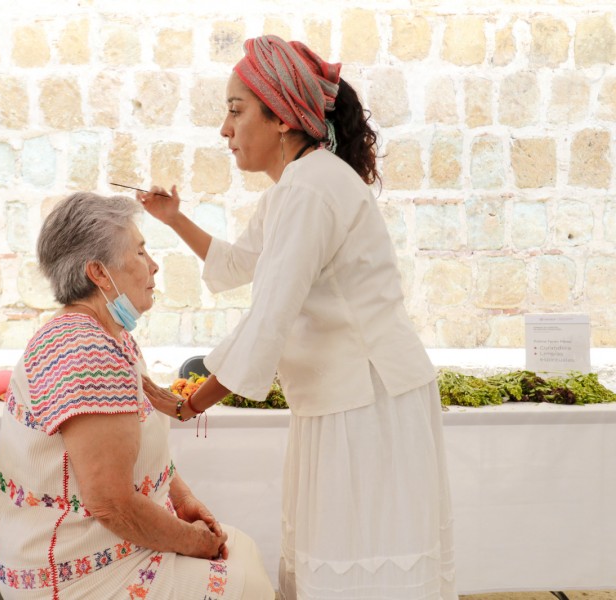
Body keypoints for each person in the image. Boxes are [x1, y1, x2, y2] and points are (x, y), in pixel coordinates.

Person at [139, 35, 457, 600]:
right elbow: (242, 265)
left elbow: (271, 314)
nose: (224, 129)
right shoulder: (298, 186)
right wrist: (173, 220)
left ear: (282, 118)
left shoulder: (311, 189)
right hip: (346, 398)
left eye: (236, 111)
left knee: (361, 564)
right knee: (342, 558)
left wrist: (192, 401)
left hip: (368, 401)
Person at [0, 191, 274, 599]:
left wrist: (184, 500)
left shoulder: (109, 337)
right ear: (100, 274)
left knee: (242, 551)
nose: (154, 265)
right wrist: (193, 541)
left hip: (104, 547)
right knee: (245, 587)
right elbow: (111, 503)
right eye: (141, 252)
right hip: (74, 576)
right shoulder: (85, 351)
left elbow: (133, 453)